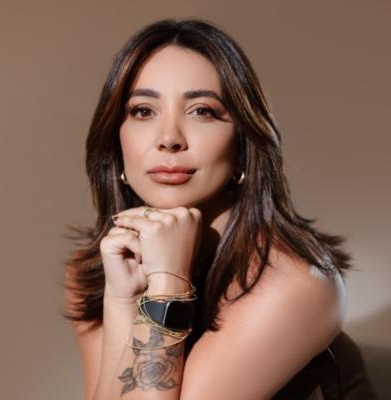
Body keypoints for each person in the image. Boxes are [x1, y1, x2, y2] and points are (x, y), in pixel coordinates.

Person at [64, 18, 377, 400]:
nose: (169, 139)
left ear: (243, 143)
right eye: (144, 111)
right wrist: (121, 300)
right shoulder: (100, 269)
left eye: (202, 111)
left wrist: (168, 282)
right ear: (116, 142)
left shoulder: (294, 281)